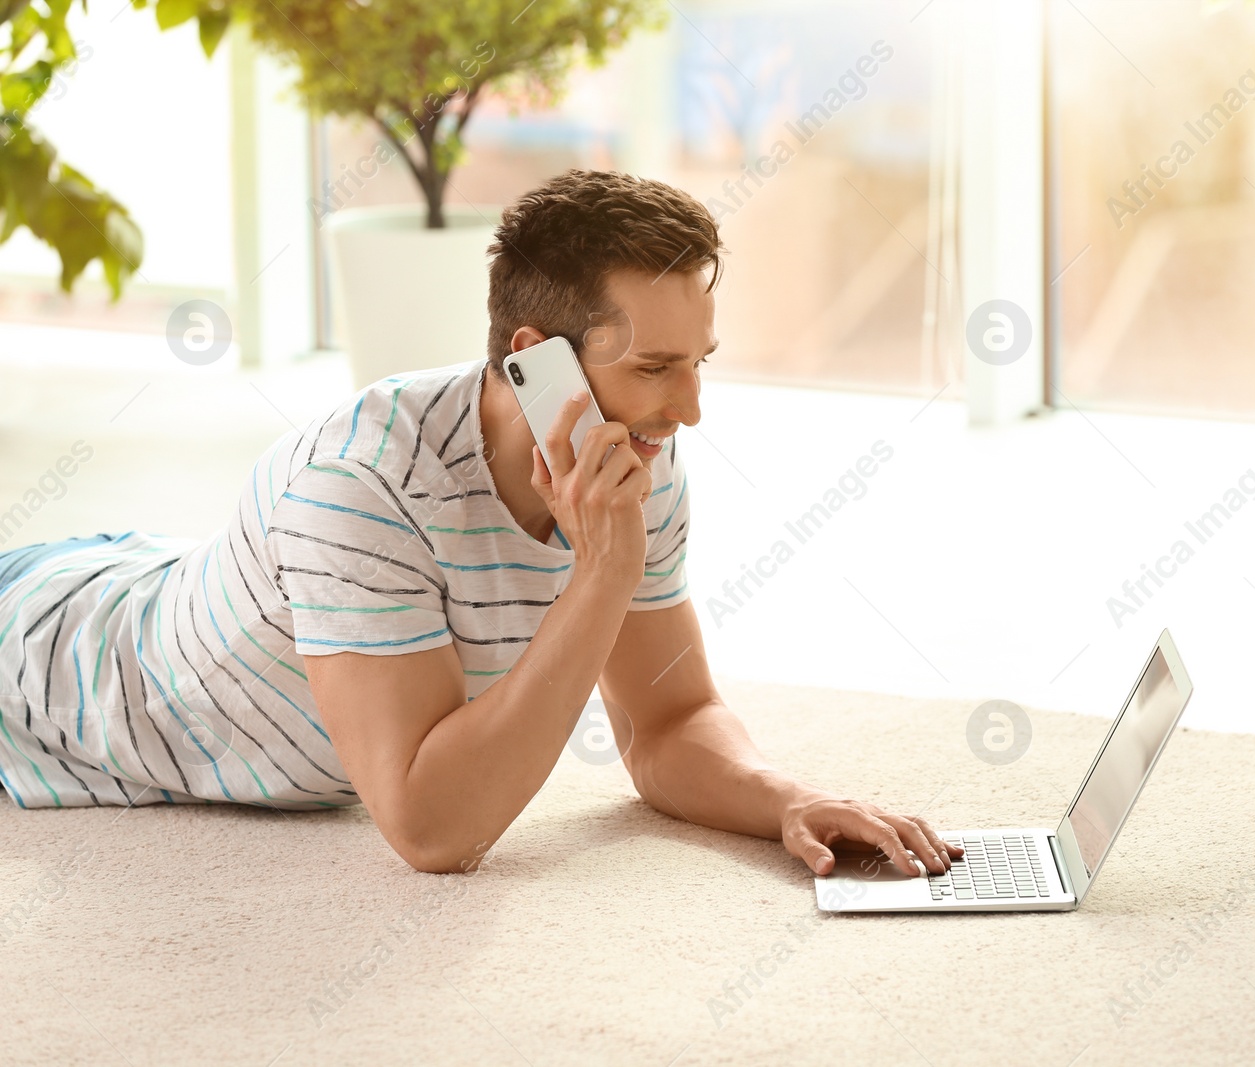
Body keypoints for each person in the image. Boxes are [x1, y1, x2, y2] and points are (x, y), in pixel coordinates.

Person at [0, 169, 961, 878]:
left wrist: (788, 797)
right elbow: (433, 828)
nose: (691, 410)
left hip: (156, 579)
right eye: (656, 368)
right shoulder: (361, 485)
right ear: (536, 362)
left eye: (699, 362)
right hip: (57, 676)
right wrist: (600, 580)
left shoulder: (634, 457)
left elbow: (669, 722)